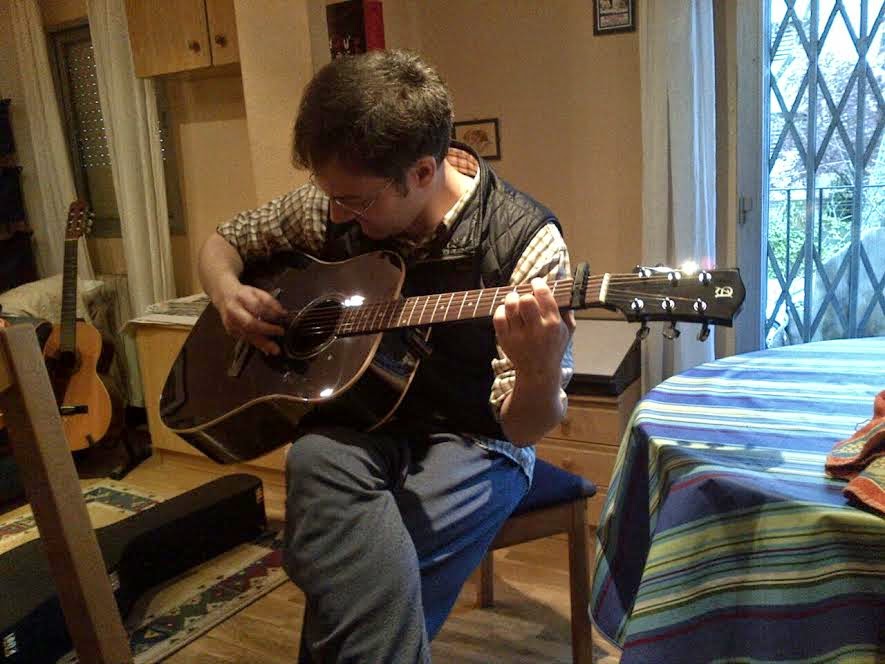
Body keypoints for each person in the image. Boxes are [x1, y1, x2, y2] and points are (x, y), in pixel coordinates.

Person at [197, 49, 575, 663]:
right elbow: (225, 242)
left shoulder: (526, 244)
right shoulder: (335, 198)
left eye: (355, 203)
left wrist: (538, 368)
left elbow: (525, 427)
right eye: (330, 196)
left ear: (422, 172)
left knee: (353, 566)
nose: (336, 214)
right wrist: (225, 293)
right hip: (362, 422)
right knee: (314, 461)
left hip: (478, 438)